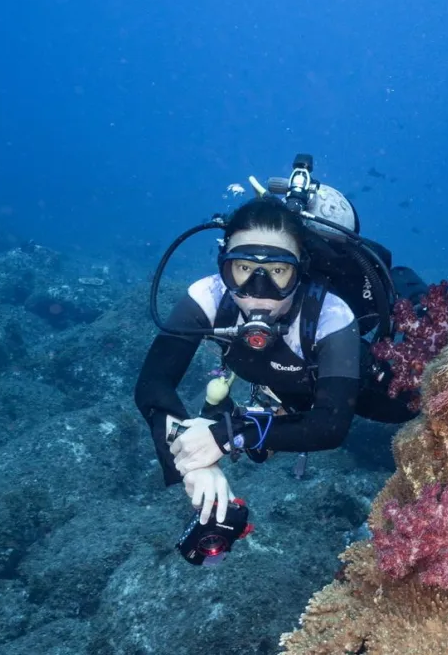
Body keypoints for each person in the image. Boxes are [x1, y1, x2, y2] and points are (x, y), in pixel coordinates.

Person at [135, 190, 422, 525]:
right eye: (244, 268)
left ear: (300, 271)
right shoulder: (208, 296)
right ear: (223, 267)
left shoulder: (331, 314)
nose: (259, 289)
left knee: (408, 407)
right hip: (289, 387)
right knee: (264, 442)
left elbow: (330, 426)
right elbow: (153, 386)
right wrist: (192, 463)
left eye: (278, 271)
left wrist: (226, 436)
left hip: (359, 387)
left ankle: (416, 293)